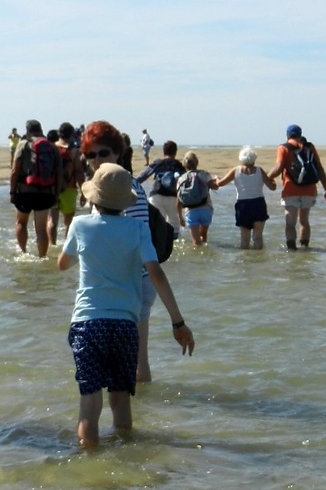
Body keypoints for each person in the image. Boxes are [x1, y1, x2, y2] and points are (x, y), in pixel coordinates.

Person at [57, 163, 195, 447]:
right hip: (124, 325)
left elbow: (63, 264)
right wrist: (178, 322)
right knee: (121, 402)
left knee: (89, 408)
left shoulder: (80, 225)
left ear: (94, 198)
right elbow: (155, 272)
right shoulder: (137, 228)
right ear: (125, 201)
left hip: (87, 324)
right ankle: (126, 460)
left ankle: (90, 468)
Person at [81, 120, 158, 382]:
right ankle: (138, 411)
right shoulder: (112, 187)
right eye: (90, 154)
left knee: (133, 364)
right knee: (135, 362)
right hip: (127, 283)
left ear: (117, 152)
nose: (96, 159)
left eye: (103, 153)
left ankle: (134, 416)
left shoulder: (128, 189)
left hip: (131, 283)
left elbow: (135, 243)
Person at [267, 124, 326, 250]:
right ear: (300, 134)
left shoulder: (283, 148)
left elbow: (279, 168)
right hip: (309, 190)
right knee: (304, 221)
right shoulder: (309, 147)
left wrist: (267, 178)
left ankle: (292, 251)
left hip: (290, 190)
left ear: (287, 135)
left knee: (290, 223)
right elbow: (319, 169)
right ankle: (305, 248)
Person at [10, 119, 63, 258]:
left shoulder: (23, 144)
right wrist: (56, 194)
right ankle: (42, 257)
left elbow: (15, 170)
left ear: (28, 131)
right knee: (41, 229)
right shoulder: (52, 147)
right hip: (45, 193)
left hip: (24, 191)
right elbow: (59, 173)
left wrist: (12, 191)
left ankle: (23, 252)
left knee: (21, 222)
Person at [215, 146, 276, 249]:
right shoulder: (260, 171)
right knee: (258, 237)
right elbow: (272, 187)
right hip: (258, 204)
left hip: (243, 206)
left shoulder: (236, 170)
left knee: (244, 238)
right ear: (254, 158)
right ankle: (258, 259)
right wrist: (272, 179)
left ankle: (245, 260)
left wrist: (216, 178)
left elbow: (220, 184)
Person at [135, 141, 186, 238]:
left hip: (156, 196)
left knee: (156, 225)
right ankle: (171, 247)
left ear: (163, 151)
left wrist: (131, 185)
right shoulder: (179, 165)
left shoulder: (158, 162)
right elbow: (185, 182)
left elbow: (142, 177)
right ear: (175, 152)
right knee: (174, 226)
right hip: (173, 198)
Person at [48, 123, 85, 245]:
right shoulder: (74, 151)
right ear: (72, 135)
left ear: (59, 133)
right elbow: (79, 172)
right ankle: (66, 246)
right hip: (69, 189)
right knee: (68, 222)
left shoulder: (51, 148)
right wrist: (83, 192)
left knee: (52, 221)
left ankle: (52, 244)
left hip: (52, 189)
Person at [176, 151, 219, 246]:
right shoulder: (204, 174)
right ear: (197, 162)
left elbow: (179, 200)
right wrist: (217, 179)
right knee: (204, 236)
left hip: (191, 211)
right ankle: (205, 257)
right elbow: (215, 186)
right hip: (206, 208)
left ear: (184, 164)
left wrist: (180, 217)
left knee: (195, 241)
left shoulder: (181, 179)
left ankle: (197, 259)